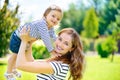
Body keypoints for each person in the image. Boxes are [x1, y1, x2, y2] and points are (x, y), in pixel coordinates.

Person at [4, 4, 63, 80]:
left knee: (19, 55)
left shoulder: (50, 27)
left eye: (58, 19)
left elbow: (54, 37)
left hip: (25, 40)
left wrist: (59, 43)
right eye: (53, 16)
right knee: (14, 55)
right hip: (18, 37)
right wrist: (51, 51)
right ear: (46, 15)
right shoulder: (42, 24)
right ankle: (8, 73)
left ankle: (14, 69)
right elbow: (46, 38)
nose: (55, 19)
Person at [16, 27, 85, 80]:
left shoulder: (58, 66)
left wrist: (24, 41)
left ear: (71, 48)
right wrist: (29, 42)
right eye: (60, 39)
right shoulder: (58, 60)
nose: (60, 44)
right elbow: (30, 62)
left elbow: (20, 65)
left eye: (66, 43)